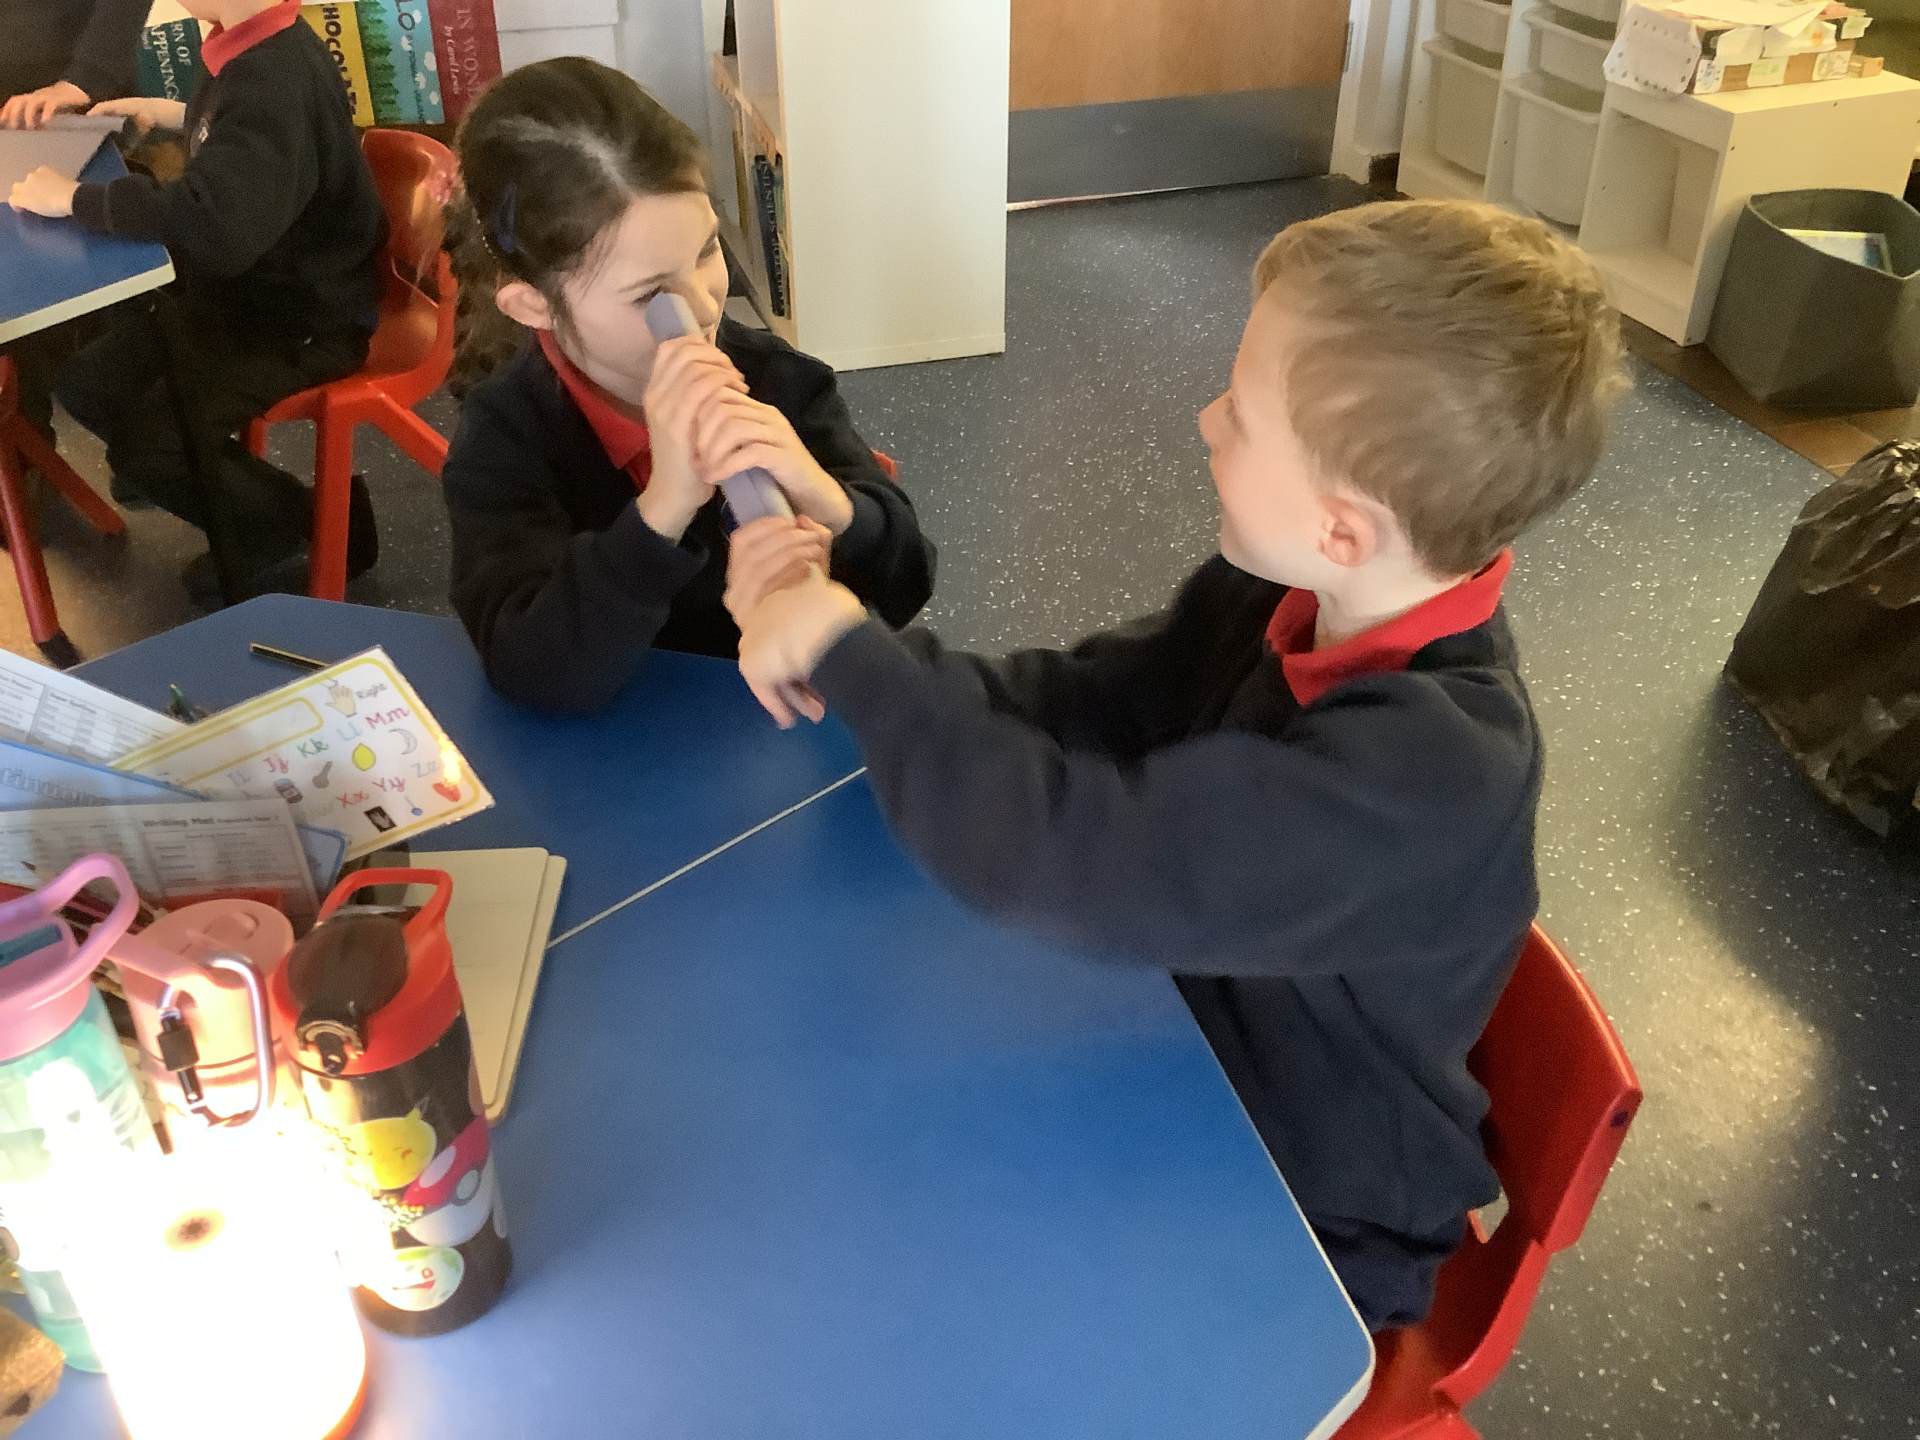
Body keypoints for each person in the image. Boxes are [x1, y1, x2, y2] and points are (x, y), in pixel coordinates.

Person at [727, 200, 1629, 1330]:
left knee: (896, 1260)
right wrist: (878, 661)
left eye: (1241, 414)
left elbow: (1075, 858)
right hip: (1191, 1058)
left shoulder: (1427, 775)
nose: (1207, 419)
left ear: (1343, 529)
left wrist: (853, 659)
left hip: (1309, 1224)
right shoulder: (1287, 592)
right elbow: (1099, 700)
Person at [440, 57, 934, 713]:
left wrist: (829, 500)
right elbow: (530, 671)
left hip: (779, 725)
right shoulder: (505, 438)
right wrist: (663, 511)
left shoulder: (778, 381)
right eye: (651, 293)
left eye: (705, 250)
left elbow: (907, 582)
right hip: (627, 739)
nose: (703, 304)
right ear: (534, 305)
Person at [5, 0, 385, 598]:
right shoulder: (252, 42)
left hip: (302, 318)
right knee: (87, 386)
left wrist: (75, 200)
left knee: (151, 450)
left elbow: (218, 228)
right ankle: (222, 493)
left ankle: (312, 526)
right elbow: (241, 145)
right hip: (254, 293)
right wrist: (171, 114)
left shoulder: (270, 78)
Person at [0, 0, 151, 446]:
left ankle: (46, 434)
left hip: (66, 109)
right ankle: (29, 439)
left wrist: (84, 80)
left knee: (53, 273)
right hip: (18, 105)